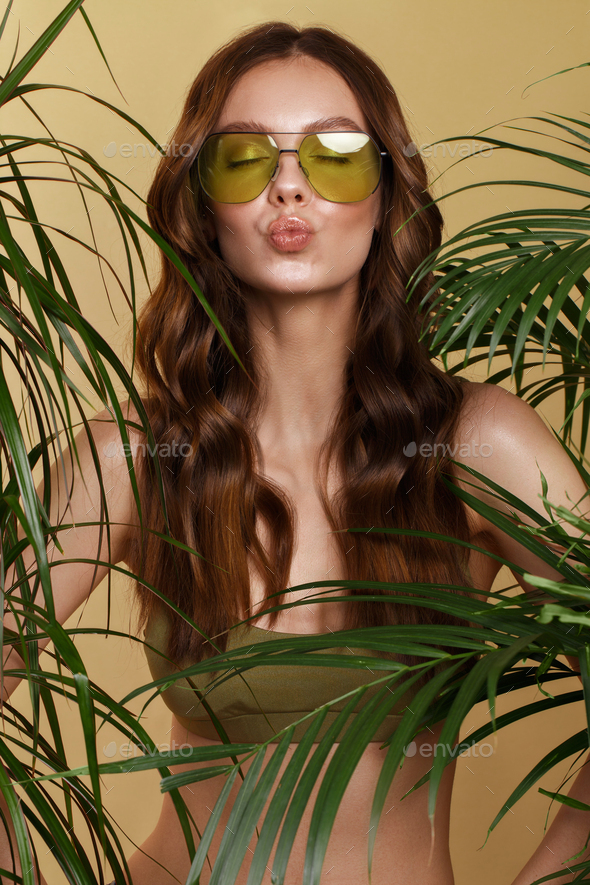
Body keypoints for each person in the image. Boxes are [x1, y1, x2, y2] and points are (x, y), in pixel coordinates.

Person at [2, 19, 590, 885]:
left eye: (337, 154)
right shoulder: (135, 458)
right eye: (244, 159)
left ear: (388, 193)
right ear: (201, 202)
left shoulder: (475, 446)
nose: (288, 189)